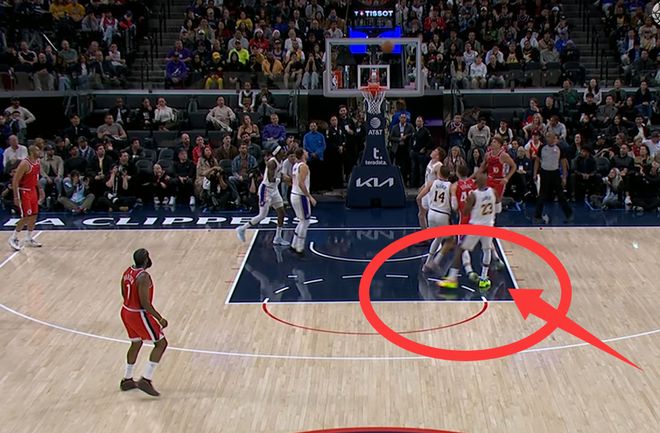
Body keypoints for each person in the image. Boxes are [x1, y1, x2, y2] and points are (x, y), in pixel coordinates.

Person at [119, 249, 168, 397]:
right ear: (146, 260)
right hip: (138, 313)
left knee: (136, 343)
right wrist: (160, 318)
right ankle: (146, 379)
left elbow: (123, 292)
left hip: (126, 310)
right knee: (161, 343)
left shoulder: (128, 272)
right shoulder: (144, 277)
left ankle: (127, 379)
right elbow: (145, 303)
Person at [438, 172, 496, 291]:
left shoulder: (473, 195)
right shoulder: (493, 192)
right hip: (488, 225)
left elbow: (465, 212)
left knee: (460, 249)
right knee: (487, 250)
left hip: (475, 226)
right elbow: (498, 206)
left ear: (477, 182)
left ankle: (452, 278)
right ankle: (484, 278)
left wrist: (471, 206)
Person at [236, 146, 290, 246]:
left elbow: (279, 174)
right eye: (282, 151)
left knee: (281, 213)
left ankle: (278, 237)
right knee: (262, 215)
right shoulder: (271, 163)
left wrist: (285, 177)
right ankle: (242, 228)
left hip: (274, 189)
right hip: (266, 190)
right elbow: (270, 179)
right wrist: (282, 179)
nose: (284, 153)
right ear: (277, 153)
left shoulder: (281, 161)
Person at [416, 165, 453, 273]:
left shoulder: (431, 183)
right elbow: (453, 203)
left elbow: (418, 197)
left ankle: (428, 263)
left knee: (438, 237)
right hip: (443, 214)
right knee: (450, 240)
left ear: (439, 173)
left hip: (431, 213)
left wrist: (421, 208)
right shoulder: (450, 186)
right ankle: (435, 262)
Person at [9, 145, 44, 251]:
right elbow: (15, 180)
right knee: (26, 216)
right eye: (37, 150)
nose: (40, 152)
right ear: (32, 152)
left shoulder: (37, 162)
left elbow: (36, 178)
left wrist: (40, 190)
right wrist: (16, 197)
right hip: (24, 191)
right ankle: (13, 238)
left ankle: (28, 238)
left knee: (34, 215)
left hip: (33, 190)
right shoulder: (24, 163)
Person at [533, 132, 573, 223]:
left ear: (553, 138)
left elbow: (563, 163)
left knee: (560, 195)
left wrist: (564, 177)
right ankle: (537, 216)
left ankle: (569, 214)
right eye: (547, 136)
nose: (547, 138)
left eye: (549, 137)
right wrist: (535, 174)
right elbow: (537, 161)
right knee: (542, 195)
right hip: (544, 173)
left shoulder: (559, 148)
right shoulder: (542, 147)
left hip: (555, 173)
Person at [477, 136, 516, 214]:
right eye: (492, 141)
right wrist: (478, 176)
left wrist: (507, 178)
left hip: (499, 181)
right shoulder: (487, 155)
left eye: (494, 142)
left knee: (496, 203)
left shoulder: (504, 155)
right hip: (489, 179)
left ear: (499, 144)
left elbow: (514, 166)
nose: (492, 143)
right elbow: (482, 167)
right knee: (486, 201)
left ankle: (504, 206)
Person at [290, 148, 316, 254]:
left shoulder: (295, 165)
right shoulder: (303, 166)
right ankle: (299, 247)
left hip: (294, 194)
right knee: (305, 221)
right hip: (301, 196)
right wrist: (309, 196)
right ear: (302, 155)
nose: (307, 152)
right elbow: (301, 183)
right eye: (305, 152)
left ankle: (294, 244)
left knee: (301, 220)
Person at [418, 147, 443, 229]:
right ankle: (424, 232)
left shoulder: (438, 166)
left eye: (435, 151)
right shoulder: (430, 162)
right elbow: (428, 177)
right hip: (426, 190)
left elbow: (439, 181)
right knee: (421, 214)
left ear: (438, 156)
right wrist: (423, 186)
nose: (432, 151)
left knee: (432, 215)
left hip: (432, 192)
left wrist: (429, 187)